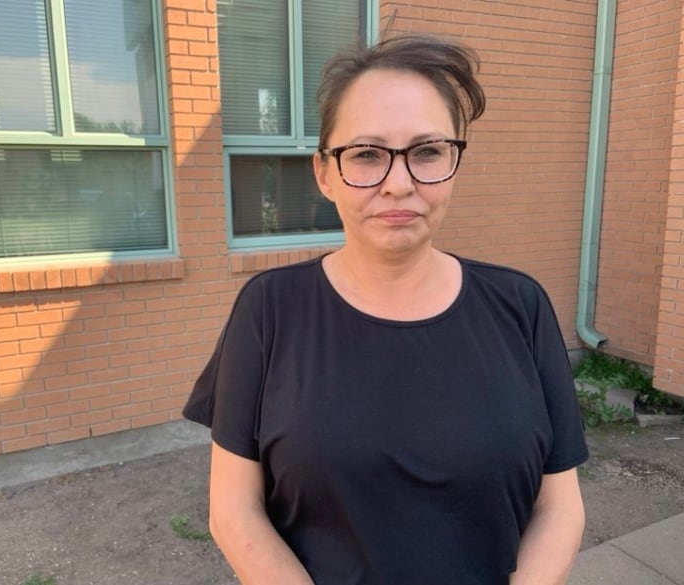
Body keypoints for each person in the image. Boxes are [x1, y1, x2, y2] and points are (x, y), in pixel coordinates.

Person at [183, 33, 588, 585]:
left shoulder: (521, 306)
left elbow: (559, 507)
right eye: (367, 154)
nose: (399, 185)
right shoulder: (269, 310)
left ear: (454, 164)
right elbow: (233, 511)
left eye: (426, 152)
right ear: (324, 173)